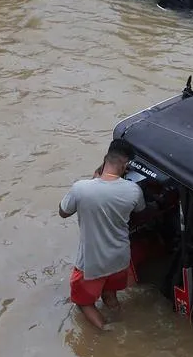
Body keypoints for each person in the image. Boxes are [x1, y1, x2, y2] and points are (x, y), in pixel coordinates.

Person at [59, 140, 146, 331]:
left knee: (82, 302)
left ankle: (106, 333)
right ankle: (120, 321)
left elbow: (63, 211)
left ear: (106, 158)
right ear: (125, 166)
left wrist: (92, 181)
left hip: (92, 261)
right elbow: (140, 209)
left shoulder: (82, 188)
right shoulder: (133, 191)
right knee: (109, 295)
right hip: (119, 259)